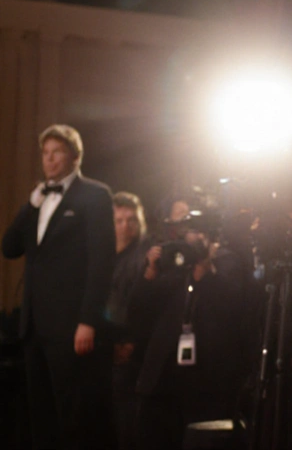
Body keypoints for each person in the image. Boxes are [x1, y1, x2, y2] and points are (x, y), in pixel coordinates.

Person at [1, 124, 117, 449]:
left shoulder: (94, 195)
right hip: (35, 325)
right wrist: (30, 205)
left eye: (58, 153)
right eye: (46, 153)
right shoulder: (38, 199)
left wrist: (88, 320)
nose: (50, 160)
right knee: (40, 417)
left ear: (76, 157)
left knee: (73, 416)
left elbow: (101, 261)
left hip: (71, 326)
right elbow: (9, 248)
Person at [131, 215, 251, 450]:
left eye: (201, 236)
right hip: (162, 381)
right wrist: (150, 271)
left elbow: (234, 310)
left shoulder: (228, 268)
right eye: (190, 235)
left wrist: (206, 271)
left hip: (206, 384)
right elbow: (137, 311)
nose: (195, 242)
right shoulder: (172, 269)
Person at [109, 191, 150, 450]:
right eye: (119, 220)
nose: (126, 225)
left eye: (131, 219)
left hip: (130, 348)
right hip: (102, 346)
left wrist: (130, 341)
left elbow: (143, 304)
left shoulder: (143, 256)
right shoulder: (103, 255)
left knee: (127, 423)